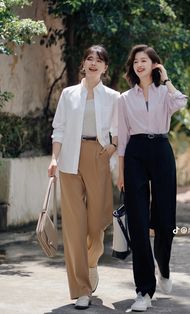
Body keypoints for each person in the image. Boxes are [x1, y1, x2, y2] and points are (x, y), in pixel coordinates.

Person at [48, 45, 119, 310]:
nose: (93, 63)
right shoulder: (68, 94)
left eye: (98, 60)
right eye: (89, 58)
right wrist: (54, 158)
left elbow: (118, 128)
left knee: (97, 224)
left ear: (105, 68)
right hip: (69, 158)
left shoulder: (113, 96)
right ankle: (82, 289)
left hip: (97, 156)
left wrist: (112, 147)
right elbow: (59, 129)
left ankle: (91, 262)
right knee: (74, 227)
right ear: (83, 64)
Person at [117, 44, 187, 312]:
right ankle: (143, 291)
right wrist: (120, 172)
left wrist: (166, 78)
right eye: (135, 61)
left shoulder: (164, 94)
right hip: (135, 152)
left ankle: (164, 268)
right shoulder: (124, 98)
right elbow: (122, 138)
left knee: (165, 217)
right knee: (138, 221)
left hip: (160, 149)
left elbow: (181, 101)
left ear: (154, 64)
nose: (139, 65)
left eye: (144, 60)